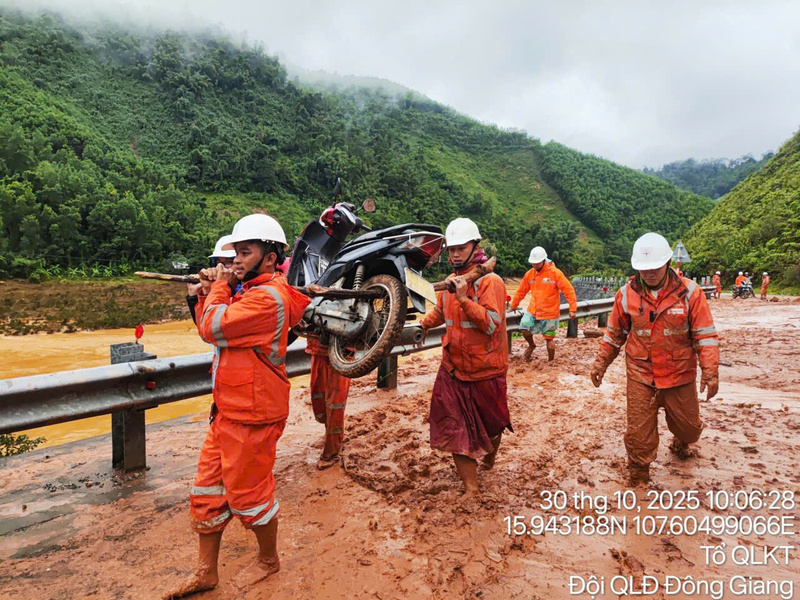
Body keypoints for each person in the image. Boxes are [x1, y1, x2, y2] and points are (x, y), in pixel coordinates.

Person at [163, 214, 311, 599]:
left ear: (270, 256)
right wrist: (205, 292)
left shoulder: (268, 299)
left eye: (245, 253)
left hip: (255, 414)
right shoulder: (247, 291)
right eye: (234, 254)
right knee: (206, 491)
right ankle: (206, 572)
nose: (235, 261)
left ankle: (268, 560)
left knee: (250, 496)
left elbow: (213, 328)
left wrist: (221, 288)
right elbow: (213, 332)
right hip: (229, 409)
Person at [589, 232, 719, 485]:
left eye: (654, 268)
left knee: (689, 429)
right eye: (643, 269)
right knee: (638, 433)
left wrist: (710, 370)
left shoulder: (690, 293)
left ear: (668, 263)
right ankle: (638, 478)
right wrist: (600, 363)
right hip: (641, 374)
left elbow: (705, 335)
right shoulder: (626, 294)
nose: (648, 274)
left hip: (679, 374)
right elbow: (615, 334)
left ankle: (681, 443)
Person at [419, 217, 511, 507]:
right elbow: (439, 313)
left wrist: (464, 300)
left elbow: (491, 325)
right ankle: (471, 489)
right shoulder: (451, 283)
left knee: (493, 426)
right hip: (453, 369)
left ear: (475, 247)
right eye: (452, 249)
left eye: (462, 248)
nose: (456, 254)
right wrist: (423, 325)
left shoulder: (489, 281)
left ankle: (490, 455)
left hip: (486, 370)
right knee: (454, 426)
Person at [509, 246, 577, 361]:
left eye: (537, 263)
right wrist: (513, 306)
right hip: (533, 310)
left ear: (544, 260)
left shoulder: (555, 273)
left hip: (550, 312)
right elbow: (521, 291)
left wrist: (573, 308)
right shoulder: (530, 274)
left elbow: (568, 290)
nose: (534, 265)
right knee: (524, 328)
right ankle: (531, 345)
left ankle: (550, 361)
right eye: (533, 263)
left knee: (549, 339)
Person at [305, 334, 351, 469]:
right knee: (318, 395)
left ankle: (332, 453)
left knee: (335, 403)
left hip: (342, 350)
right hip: (317, 346)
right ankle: (330, 436)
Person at [186, 235, 237, 325]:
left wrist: (221, 286)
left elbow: (218, 327)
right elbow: (204, 328)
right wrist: (196, 295)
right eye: (219, 263)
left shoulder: (249, 290)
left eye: (230, 262)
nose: (221, 267)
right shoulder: (219, 289)